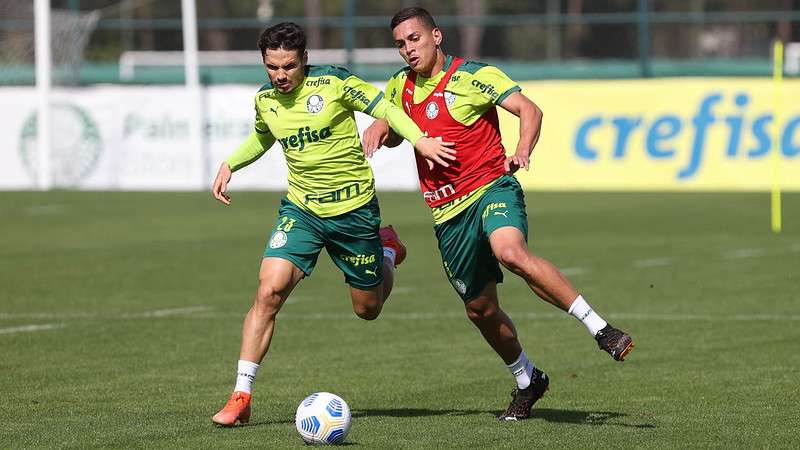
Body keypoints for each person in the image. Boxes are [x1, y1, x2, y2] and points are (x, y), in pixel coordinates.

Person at [362, 7, 634, 421]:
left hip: (491, 188)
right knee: (480, 310)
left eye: (414, 39)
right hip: (446, 213)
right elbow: (398, 130)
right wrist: (381, 128)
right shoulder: (400, 86)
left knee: (510, 251)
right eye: (400, 44)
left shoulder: (474, 75)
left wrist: (522, 149)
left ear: (436, 36)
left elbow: (531, 110)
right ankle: (528, 380)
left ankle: (600, 328)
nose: (407, 50)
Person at [210, 21, 456, 426]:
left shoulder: (335, 83)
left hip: (354, 212)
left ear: (304, 59)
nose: (281, 76)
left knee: (367, 309)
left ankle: (388, 250)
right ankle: (241, 395)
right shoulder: (266, 100)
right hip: (302, 210)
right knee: (268, 291)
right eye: (272, 67)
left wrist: (421, 139)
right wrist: (230, 163)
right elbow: (262, 137)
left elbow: (386, 108)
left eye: (289, 66)